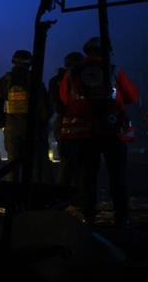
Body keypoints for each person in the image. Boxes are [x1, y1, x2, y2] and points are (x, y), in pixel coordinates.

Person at [60, 37, 138, 226]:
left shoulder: (72, 73)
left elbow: (64, 99)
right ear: (106, 51)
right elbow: (132, 96)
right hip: (112, 132)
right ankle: (121, 217)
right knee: (117, 176)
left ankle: (89, 216)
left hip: (84, 134)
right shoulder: (114, 70)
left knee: (88, 177)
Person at [0, 50, 50, 182]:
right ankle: (32, 196)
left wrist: (2, 124)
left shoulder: (5, 80)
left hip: (12, 128)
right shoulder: (34, 79)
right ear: (29, 63)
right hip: (33, 128)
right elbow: (44, 105)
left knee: (13, 164)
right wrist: (43, 123)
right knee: (35, 164)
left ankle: (12, 197)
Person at [49, 52, 84, 188]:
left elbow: (55, 105)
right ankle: (79, 195)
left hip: (63, 126)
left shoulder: (55, 80)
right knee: (82, 164)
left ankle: (63, 196)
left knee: (66, 163)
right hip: (82, 126)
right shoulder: (84, 79)